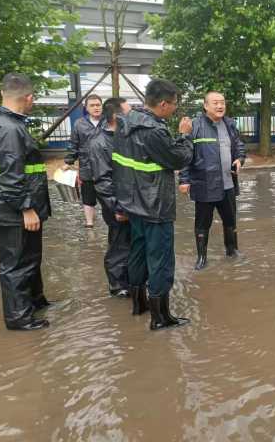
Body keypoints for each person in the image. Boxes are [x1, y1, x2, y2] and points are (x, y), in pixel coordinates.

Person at [112, 79, 194, 330]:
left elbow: (120, 165)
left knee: (138, 252)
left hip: (133, 203)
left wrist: (120, 204)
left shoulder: (125, 123)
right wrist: (184, 136)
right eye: (174, 105)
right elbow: (178, 158)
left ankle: (140, 304)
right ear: (163, 104)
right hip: (155, 205)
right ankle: (161, 318)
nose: (175, 109)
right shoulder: (154, 130)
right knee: (160, 259)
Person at [0, 74, 51, 330]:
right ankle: (19, 318)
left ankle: (32, 302)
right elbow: (11, 178)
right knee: (17, 263)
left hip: (11, 208)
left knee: (29, 258)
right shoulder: (9, 129)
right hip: (15, 211)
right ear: (29, 98)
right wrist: (27, 208)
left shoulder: (4, 124)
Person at [179, 91, 246, 270]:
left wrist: (240, 159)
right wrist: (184, 180)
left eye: (222, 102)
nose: (220, 106)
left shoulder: (230, 124)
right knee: (202, 223)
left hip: (228, 183)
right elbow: (185, 155)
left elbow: (239, 145)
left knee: (230, 220)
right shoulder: (195, 126)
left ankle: (232, 250)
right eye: (215, 103)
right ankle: (202, 257)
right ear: (205, 106)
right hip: (205, 184)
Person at [88, 98, 131, 298]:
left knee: (131, 241)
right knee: (119, 242)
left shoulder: (126, 137)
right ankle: (117, 284)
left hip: (132, 201)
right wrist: (118, 208)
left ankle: (131, 279)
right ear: (117, 116)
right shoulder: (99, 142)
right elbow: (102, 180)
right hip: (117, 204)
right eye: (128, 112)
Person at [63, 94, 104, 228]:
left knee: (108, 195)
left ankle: (112, 220)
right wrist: (68, 161)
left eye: (98, 105)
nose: (96, 107)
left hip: (106, 166)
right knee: (88, 195)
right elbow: (74, 144)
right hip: (87, 166)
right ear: (86, 108)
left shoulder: (108, 121)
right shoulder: (80, 124)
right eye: (92, 105)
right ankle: (89, 222)